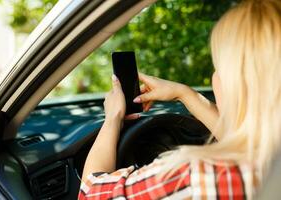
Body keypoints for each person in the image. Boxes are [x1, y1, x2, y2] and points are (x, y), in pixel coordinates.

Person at [79, 0, 281, 199]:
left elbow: (91, 193)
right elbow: (246, 139)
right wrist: (183, 94)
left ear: (239, 83)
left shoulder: (201, 175)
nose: (215, 78)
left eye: (218, 68)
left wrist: (112, 119)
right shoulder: (269, 161)